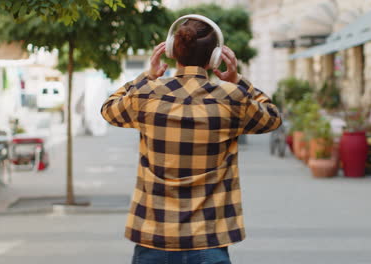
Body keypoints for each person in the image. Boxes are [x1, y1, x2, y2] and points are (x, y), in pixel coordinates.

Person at [100, 14, 281, 264]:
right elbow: (272, 117)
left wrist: (146, 77)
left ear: (173, 51)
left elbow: (109, 109)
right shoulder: (232, 99)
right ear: (214, 58)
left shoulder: (145, 95)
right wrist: (238, 81)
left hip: (154, 237)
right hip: (209, 239)